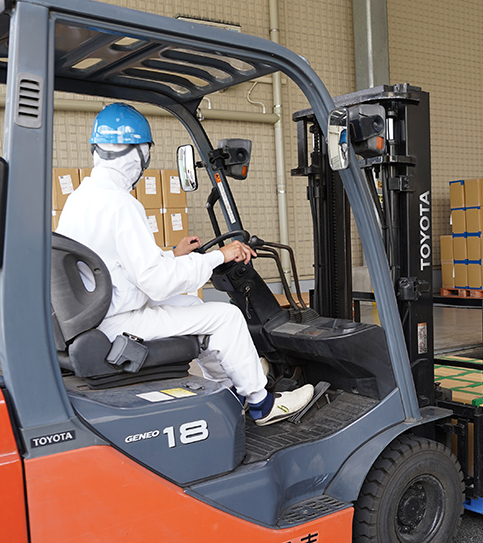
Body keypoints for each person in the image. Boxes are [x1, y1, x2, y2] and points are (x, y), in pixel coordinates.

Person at [57, 103, 313, 425]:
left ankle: (229, 389)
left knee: (190, 305)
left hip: (100, 312)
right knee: (227, 316)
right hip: (119, 320)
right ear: (138, 153)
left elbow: (118, 262)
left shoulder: (81, 198)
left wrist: (173, 255)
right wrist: (220, 256)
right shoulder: (121, 204)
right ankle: (261, 403)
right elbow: (156, 282)